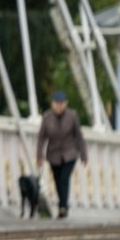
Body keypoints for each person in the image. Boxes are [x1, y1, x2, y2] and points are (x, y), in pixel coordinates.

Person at [36, 90, 87, 218]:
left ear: (66, 103)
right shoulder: (47, 117)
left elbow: (79, 136)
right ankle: (62, 204)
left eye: (62, 103)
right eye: (57, 103)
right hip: (54, 155)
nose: (59, 106)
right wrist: (39, 156)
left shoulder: (72, 116)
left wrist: (83, 155)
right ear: (53, 104)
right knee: (58, 181)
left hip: (70, 153)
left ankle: (63, 206)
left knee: (65, 179)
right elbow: (41, 137)